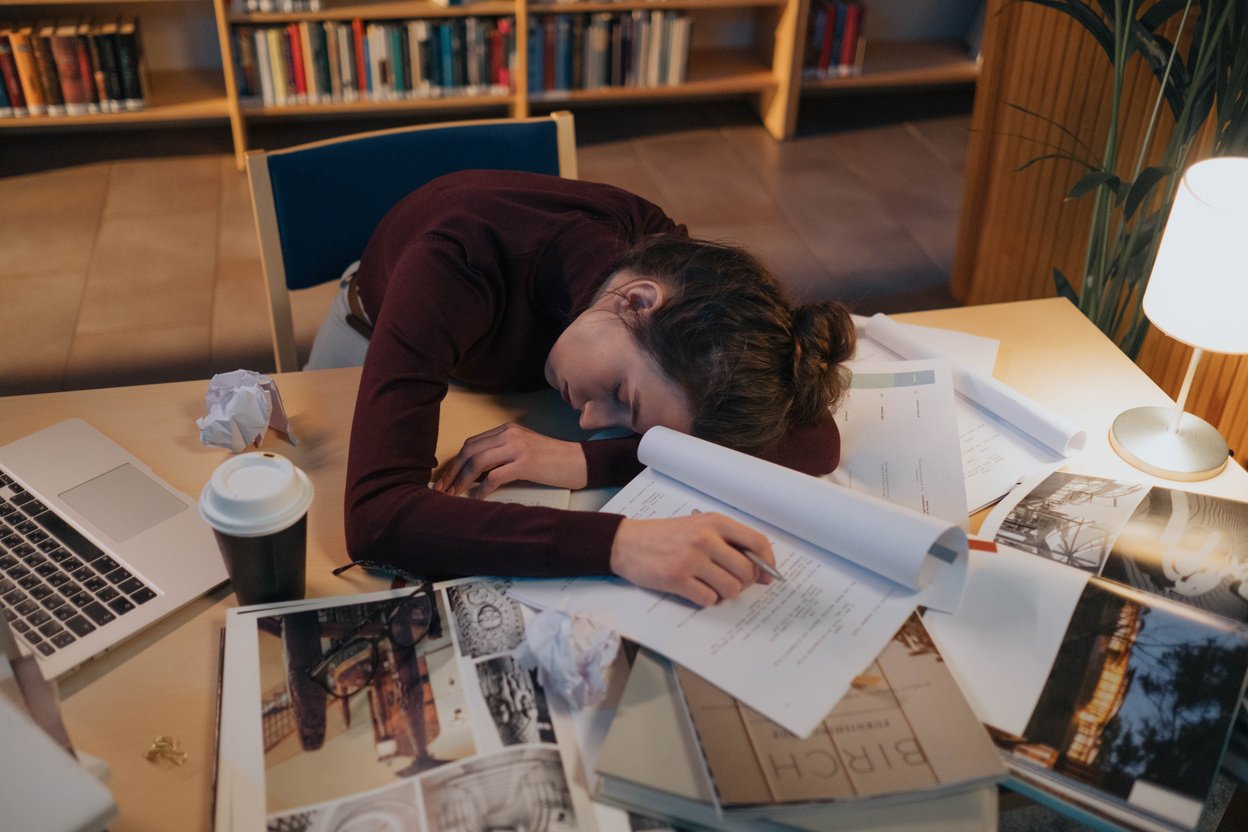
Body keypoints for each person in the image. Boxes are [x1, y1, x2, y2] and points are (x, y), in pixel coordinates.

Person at [323, 170, 856, 607]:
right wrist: (622, 544)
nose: (592, 424)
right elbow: (377, 517)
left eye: (627, 419)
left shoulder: (675, 275)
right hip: (374, 332)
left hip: (512, 378)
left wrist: (580, 462)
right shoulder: (451, 263)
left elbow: (816, 442)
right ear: (638, 301)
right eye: (624, 399)